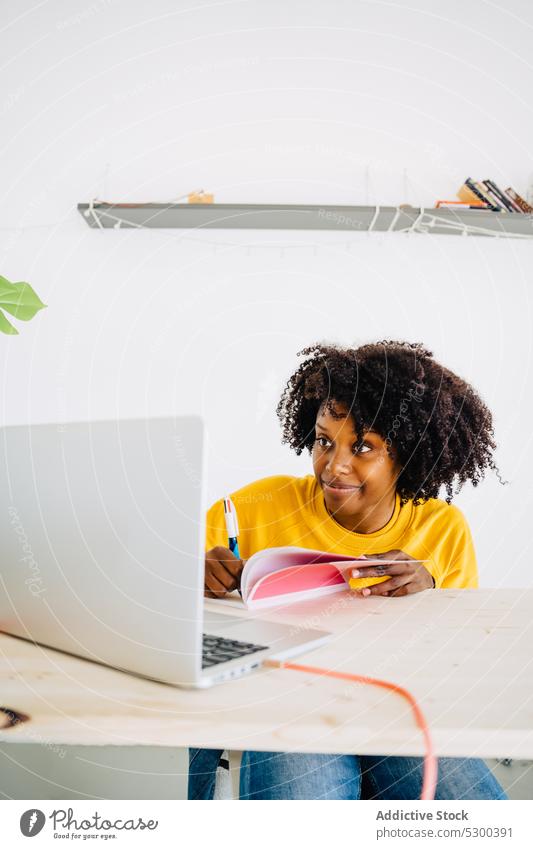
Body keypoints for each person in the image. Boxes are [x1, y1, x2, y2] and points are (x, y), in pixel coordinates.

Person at [189, 340, 507, 800]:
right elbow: (159, 603)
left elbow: (457, 671)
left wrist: (431, 597)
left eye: (362, 447)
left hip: (393, 705)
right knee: (301, 770)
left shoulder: (442, 531)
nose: (334, 465)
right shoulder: (255, 508)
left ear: (408, 453)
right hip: (287, 702)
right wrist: (188, 576)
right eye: (323, 441)